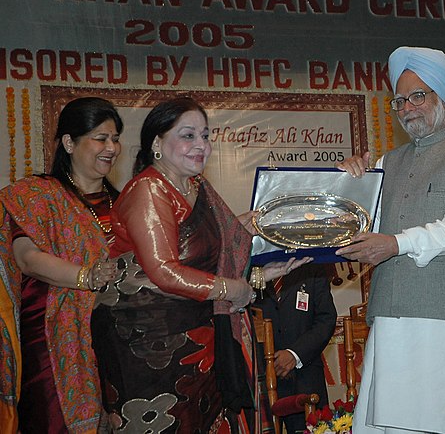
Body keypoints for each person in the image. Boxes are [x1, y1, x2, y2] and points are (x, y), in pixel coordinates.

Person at [91, 96, 309, 433]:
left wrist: (262, 274)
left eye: (205, 136)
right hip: (149, 346)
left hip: (198, 340)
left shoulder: (197, 188)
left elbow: (216, 260)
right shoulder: (149, 189)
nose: (201, 145)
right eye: (188, 135)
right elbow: (164, 270)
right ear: (157, 143)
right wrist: (232, 288)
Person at [336, 46, 445, 433]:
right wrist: (350, 182)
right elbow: (357, 228)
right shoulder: (385, 164)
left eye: (418, 96)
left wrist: (397, 244)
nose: (408, 107)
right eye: (400, 100)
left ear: (442, 98)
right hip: (393, 322)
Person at [0, 97, 122, 433]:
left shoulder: (126, 205)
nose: (111, 148)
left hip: (119, 344)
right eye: (100, 138)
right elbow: (27, 258)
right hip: (53, 344)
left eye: (115, 138)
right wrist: (87, 276)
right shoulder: (36, 197)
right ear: (69, 142)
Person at [254, 266, 336, 433]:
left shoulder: (312, 267)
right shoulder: (250, 268)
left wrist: (294, 354)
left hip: (305, 378)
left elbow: (326, 319)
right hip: (260, 379)